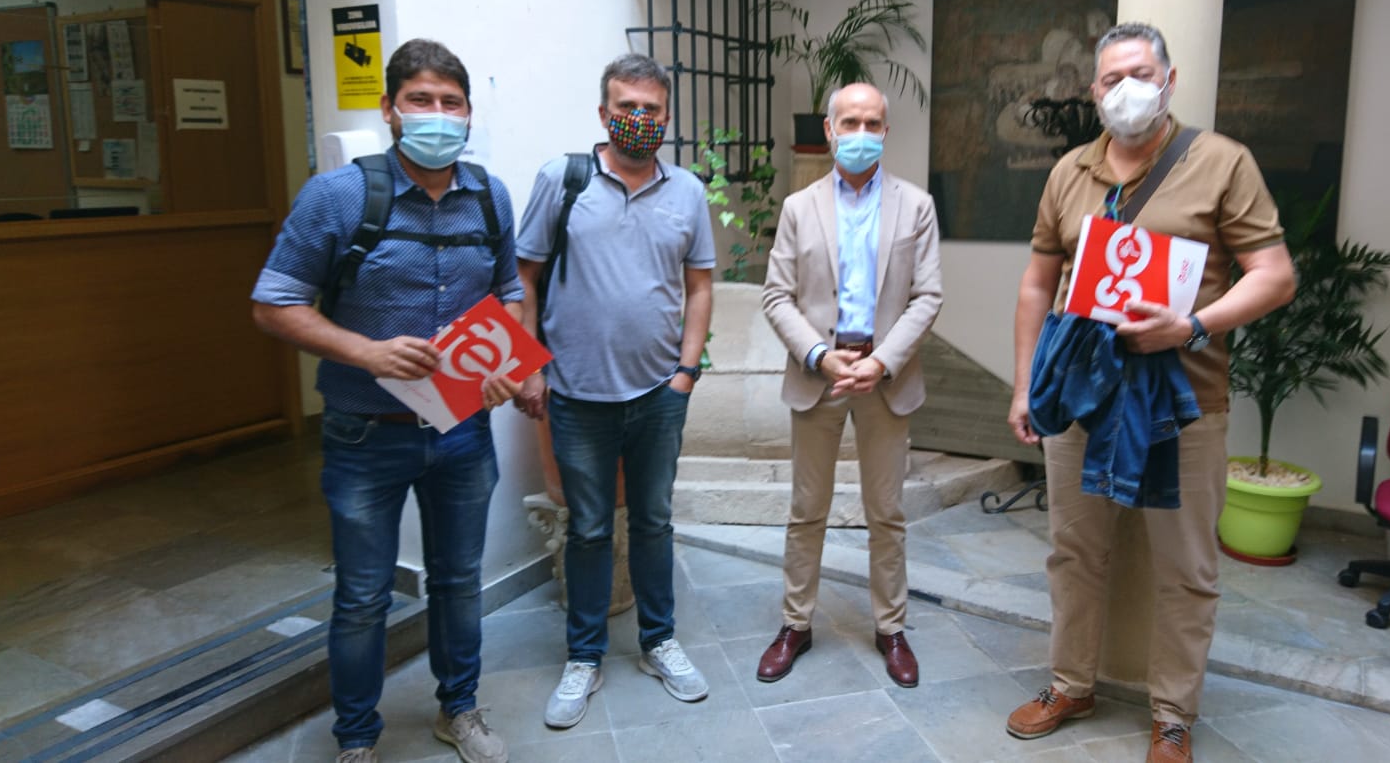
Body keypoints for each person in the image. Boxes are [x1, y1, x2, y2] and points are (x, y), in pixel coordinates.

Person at [1004, 22, 1296, 763]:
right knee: (1074, 553)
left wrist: (1191, 325)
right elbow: (1037, 284)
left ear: (1169, 80)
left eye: (1140, 73)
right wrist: (1024, 385)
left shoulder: (1221, 162)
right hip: (1082, 398)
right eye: (1111, 79)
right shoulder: (1069, 172)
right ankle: (1070, 684)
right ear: (1093, 90)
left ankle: (1172, 716)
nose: (1125, 89)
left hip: (1184, 401)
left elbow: (1274, 276)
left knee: (1186, 568)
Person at [252, 38, 518, 763]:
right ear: (390, 109)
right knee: (364, 594)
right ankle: (356, 739)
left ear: (469, 113)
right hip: (364, 433)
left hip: (462, 427)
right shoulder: (338, 196)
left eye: (451, 103)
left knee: (459, 581)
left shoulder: (489, 194)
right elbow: (273, 304)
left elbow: (509, 292)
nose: (438, 115)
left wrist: (507, 363)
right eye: (420, 100)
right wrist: (364, 352)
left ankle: (458, 709)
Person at [515, 53, 716, 729]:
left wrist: (685, 371)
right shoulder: (563, 179)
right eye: (626, 106)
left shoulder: (687, 192)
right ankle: (584, 656)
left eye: (650, 108)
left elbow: (699, 285)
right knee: (590, 527)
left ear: (667, 116)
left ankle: (659, 641)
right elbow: (524, 277)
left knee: (654, 520)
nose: (638, 117)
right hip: (576, 396)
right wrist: (531, 366)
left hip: (659, 394)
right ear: (603, 113)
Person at [757, 82, 944, 689]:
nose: (861, 133)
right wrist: (818, 354)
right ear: (830, 130)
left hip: (886, 378)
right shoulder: (798, 207)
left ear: (886, 131)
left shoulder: (916, 206)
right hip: (820, 376)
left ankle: (891, 628)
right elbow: (777, 296)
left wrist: (882, 361)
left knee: (886, 512)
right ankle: (795, 624)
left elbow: (927, 296)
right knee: (806, 510)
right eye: (850, 122)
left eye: (872, 123)